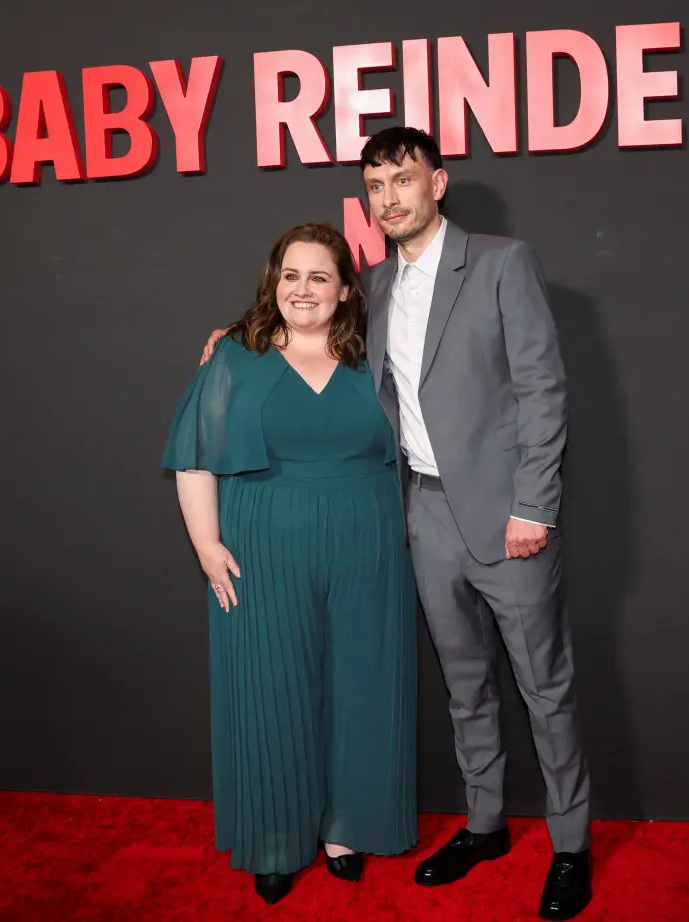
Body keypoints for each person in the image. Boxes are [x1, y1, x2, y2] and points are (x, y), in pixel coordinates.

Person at [201, 126, 592, 920]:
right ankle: (485, 825)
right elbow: (312, 346)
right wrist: (235, 343)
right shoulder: (370, 286)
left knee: (544, 687)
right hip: (417, 512)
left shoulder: (501, 263)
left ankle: (572, 845)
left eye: (404, 180)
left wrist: (533, 506)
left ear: (437, 183)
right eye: (376, 186)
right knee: (465, 684)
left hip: (506, 516)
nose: (391, 197)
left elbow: (545, 391)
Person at [164, 222, 418, 905]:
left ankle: (347, 827)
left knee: (361, 685)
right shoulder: (234, 359)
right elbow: (194, 455)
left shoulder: (378, 359)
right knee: (271, 688)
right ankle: (276, 835)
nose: (303, 290)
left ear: (344, 290)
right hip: (260, 548)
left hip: (367, 547)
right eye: (291, 276)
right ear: (273, 284)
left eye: (319, 277)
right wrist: (206, 544)